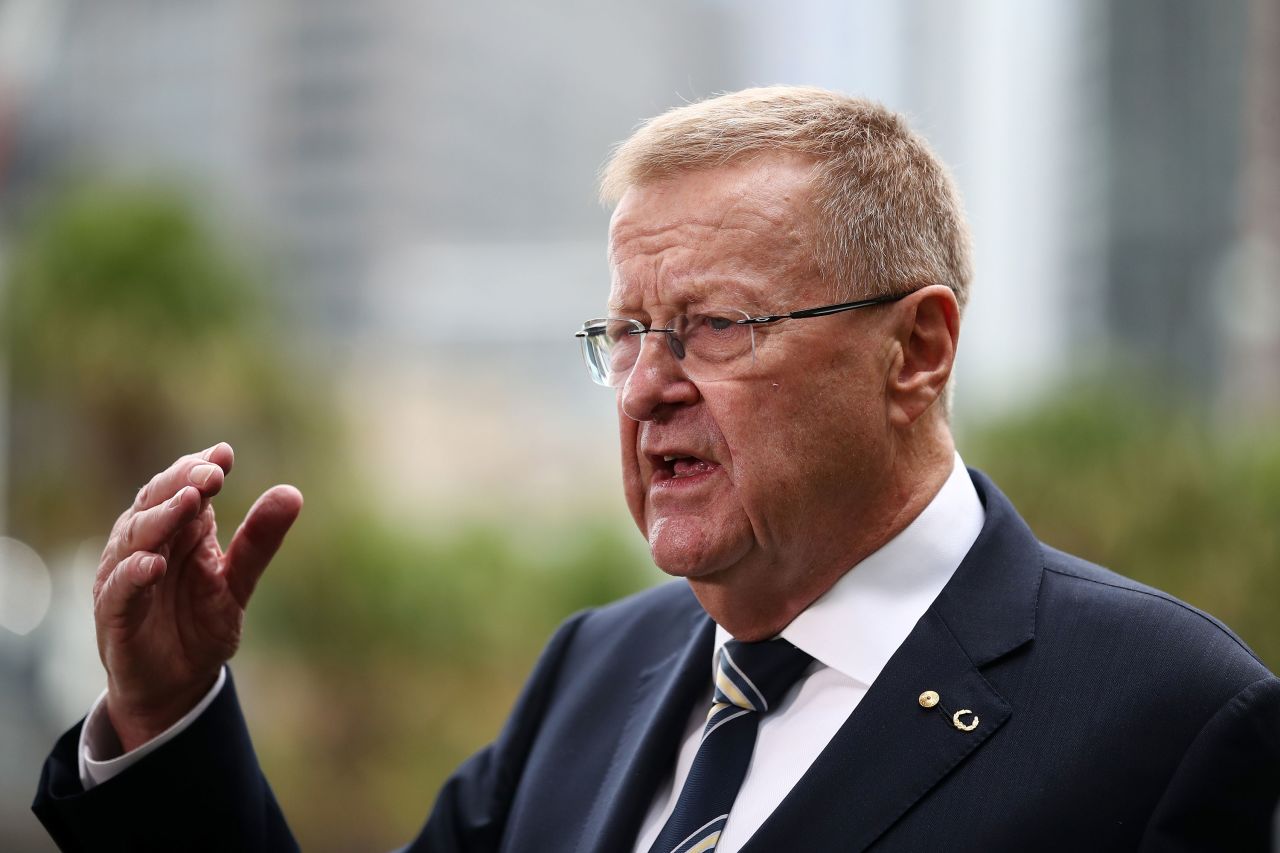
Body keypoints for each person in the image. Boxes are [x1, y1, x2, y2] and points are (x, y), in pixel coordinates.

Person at [33, 86, 1280, 852]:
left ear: (918, 348)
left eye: (716, 326)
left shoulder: (1165, 719)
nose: (648, 385)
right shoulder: (592, 671)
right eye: (625, 332)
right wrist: (167, 716)